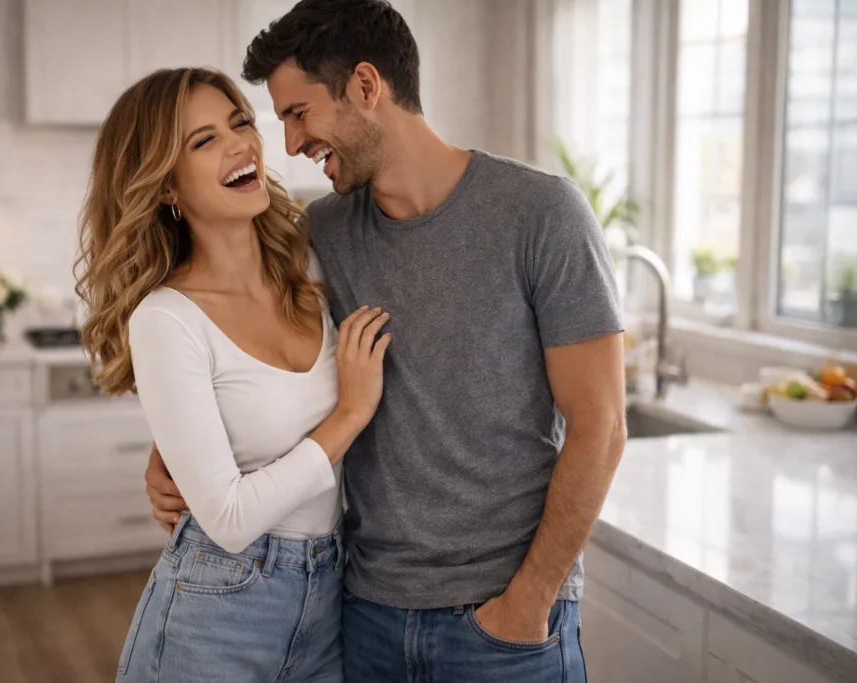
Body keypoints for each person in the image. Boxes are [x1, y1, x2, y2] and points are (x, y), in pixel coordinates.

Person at [144, 0, 628, 680]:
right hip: (365, 620)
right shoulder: (323, 235)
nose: (289, 144)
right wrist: (170, 446)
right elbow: (239, 341)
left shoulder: (542, 215)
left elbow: (601, 426)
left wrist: (529, 601)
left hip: (504, 625)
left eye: (298, 113)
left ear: (366, 88)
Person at [75, 66, 392, 682]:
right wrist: (350, 416)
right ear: (166, 185)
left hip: (332, 596)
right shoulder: (167, 318)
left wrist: (186, 445)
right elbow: (229, 519)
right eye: (203, 141)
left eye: (240, 122)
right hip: (216, 612)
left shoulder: (314, 264)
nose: (240, 144)